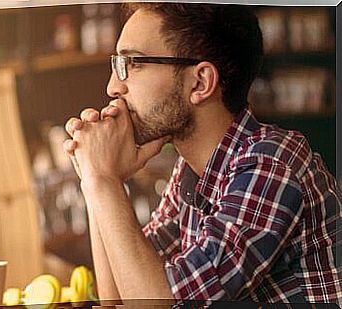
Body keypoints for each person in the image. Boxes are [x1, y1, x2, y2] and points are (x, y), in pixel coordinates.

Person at [63, 3, 342, 303]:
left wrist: (104, 180)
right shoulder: (191, 172)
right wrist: (94, 179)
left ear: (200, 82)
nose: (113, 87)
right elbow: (118, 296)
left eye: (133, 63)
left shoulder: (271, 164)